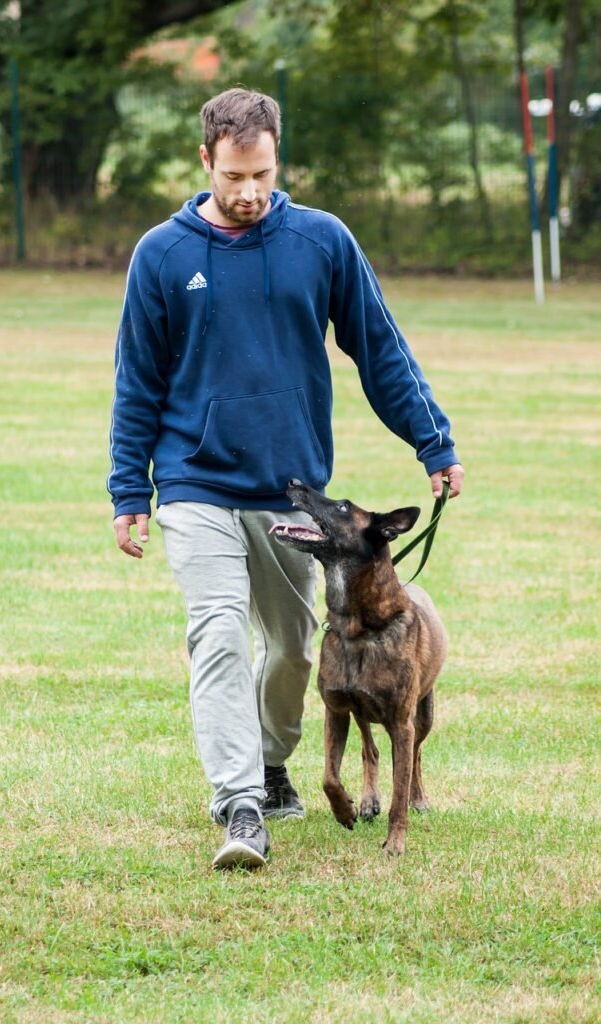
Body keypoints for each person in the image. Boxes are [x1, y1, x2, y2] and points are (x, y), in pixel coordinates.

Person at [108, 87, 464, 870]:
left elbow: (380, 349)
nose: (249, 192)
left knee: (296, 650)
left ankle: (271, 764)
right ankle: (240, 804)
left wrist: (433, 441)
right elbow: (136, 380)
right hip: (194, 481)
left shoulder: (322, 242)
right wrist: (130, 490)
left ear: (278, 159)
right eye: (234, 175)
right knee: (217, 633)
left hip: (291, 496)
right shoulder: (162, 255)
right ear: (205, 161)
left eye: (262, 173)